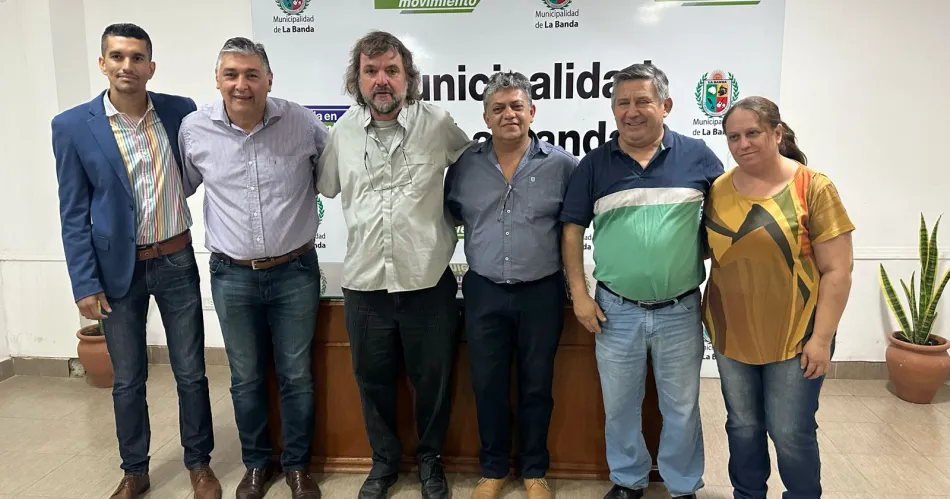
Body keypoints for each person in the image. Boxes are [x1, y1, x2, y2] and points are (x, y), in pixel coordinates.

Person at [50, 23, 220, 499]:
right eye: (118, 56)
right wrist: (84, 282)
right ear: (103, 63)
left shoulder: (179, 111)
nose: (127, 65)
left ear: (151, 66)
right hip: (116, 270)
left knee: (191, 371)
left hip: (176, 258)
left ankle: (199, 463)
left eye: (137, 57)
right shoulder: (72, 126)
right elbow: (72, 212)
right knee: (128, 378)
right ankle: (134, 470)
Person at [316, 30, 472, 499]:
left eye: (391, 70)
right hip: (365, 286)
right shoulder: (341, 132)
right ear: (357, 79)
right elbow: (326, 186)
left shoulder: (438, 123)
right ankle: (383, 463)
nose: (381, 80)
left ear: (408, 77)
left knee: (434, 382)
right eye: (371, 71)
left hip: (427, 281)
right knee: (373, 382)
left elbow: (473, 171)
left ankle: (430, 462)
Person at [560, 63, 724, 499]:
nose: (631, 111)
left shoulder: (698, 157)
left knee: (682, 407)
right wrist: (579, 294)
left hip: (680, 308)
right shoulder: (594, 164)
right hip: (615, 310)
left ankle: (683, 485)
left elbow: (726, 221)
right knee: (620, 407)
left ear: (665, 105)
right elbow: (572, 230)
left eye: (642, 101)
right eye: (622, 103)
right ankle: (628, 480)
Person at [178, 37, 327, 499]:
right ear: (217, 79)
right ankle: (257, 465)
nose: (241, 84)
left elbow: (330, 176)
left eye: (251, 74)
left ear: (269, 79)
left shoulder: (301, 121)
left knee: (296, 375)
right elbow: (182, 185)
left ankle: (297, 467)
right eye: (231, 74)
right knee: (245, 378)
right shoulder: (194, 129)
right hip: (232, 275)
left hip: (295, 271)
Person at [702, 96, 854, 499]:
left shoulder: (813, 187)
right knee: (742, 426)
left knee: (790, 431)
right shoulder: (718, 189)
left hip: (797, 337)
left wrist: (821, 339)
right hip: (731, 334)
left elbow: (838, 271)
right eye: (734, 137)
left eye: (752, 133)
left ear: (776, 133)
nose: (743, 144)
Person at [444, 71, 576, 499]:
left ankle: (535, 471)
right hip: (483, 290)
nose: (509, 115)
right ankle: (494, 469)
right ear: (485, 117)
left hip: (542, 291)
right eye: (498, 108)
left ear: (532, 111)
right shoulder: (464, 166)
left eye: (517, 106)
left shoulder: (563, 166)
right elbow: (451, 213)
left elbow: (574, 226)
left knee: (537, 384)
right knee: (488, 384)